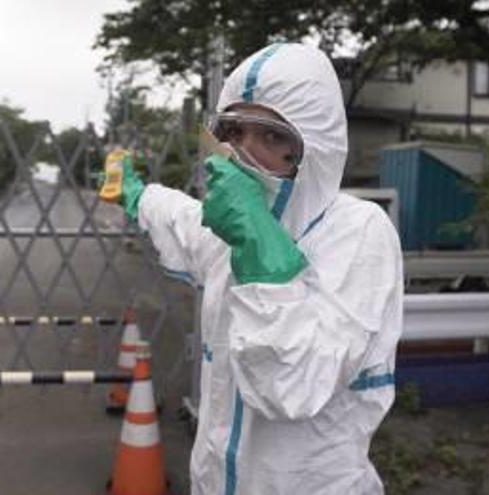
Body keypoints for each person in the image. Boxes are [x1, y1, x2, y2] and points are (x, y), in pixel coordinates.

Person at [105, 42, 403, 495]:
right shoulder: (228, 232)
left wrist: (262, 251)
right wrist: (135, 192)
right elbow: (181, 219)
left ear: (314, 146)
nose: (243, 153)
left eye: (271, 136)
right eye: (234, 133)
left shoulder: (358, 233)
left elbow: (292, 384)